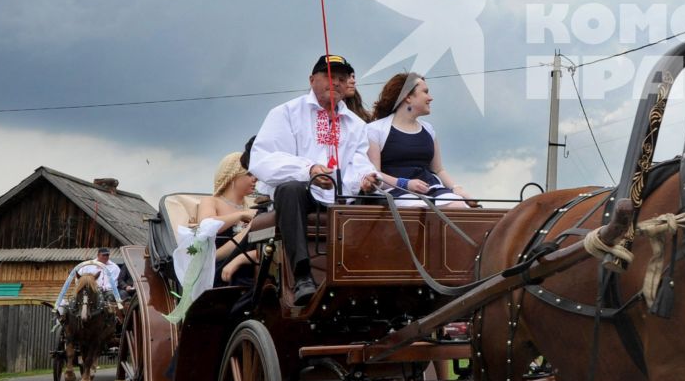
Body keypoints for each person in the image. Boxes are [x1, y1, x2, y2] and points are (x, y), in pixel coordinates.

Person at [248, 54, 380, 303]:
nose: (336, 83)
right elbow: (262, 160)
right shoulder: (285, 113)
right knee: (289, 189)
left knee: (382, 201)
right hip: (302, 196)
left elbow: (358, 163)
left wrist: (365, 179)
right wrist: (308, 170)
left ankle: (374, 276)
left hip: (341, 197)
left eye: (342, 78)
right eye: (329, 77)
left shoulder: (356, 124)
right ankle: (302, 277)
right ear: (312, 80)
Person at [367, 72, 481, 207]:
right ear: (408, 97)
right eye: (425, 92)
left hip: (430, 189)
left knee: (458, 206)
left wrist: (457, 189)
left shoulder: (429, 130)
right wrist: (405, 183)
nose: (430, 98)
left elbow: (438, 170)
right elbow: (374, 174)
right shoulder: (375, 130)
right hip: (394, 192)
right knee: (421, 210)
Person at [196, 153, 261, 286]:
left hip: (251, 265)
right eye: (249, 174)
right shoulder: (211, 201)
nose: (255, 179)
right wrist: (240, 215)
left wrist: (241, 258)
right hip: (216, 267)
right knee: (254, 225)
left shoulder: (255, 207)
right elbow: (206, 226)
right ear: (233, 176)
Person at [54, 249, 120, 314]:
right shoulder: (88, 265)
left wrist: (103, 288)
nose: (105, 257)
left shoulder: (114, 267)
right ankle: (70, 314)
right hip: (89, 289)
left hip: (106, 290)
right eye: (103, 255)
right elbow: (79, 277)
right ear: (98, 255)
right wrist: (81, 285)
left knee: (111, 297)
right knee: (74, 299)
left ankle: (110, 316)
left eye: (107, 255)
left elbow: (114, 282)